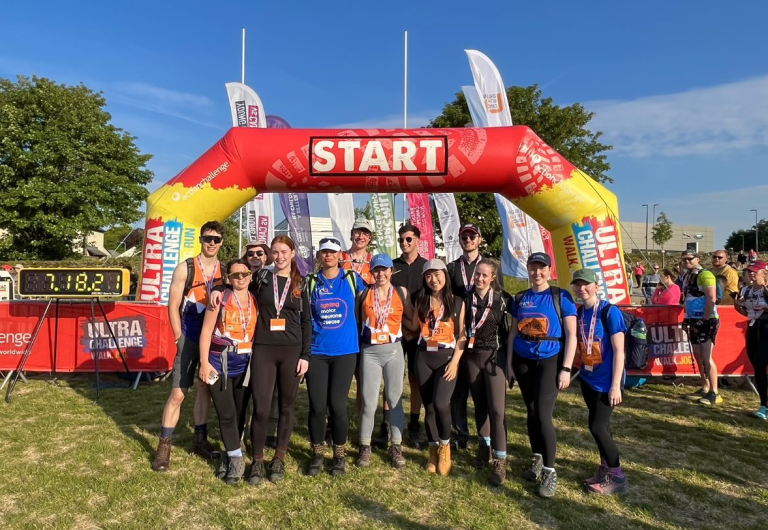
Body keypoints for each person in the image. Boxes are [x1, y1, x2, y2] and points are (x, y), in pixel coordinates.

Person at [153, 221, 225, 472]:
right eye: (208, 238)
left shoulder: (225, 270)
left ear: (222, 242)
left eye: (216, 239)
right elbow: (172, 305)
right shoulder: (186, 267)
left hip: (212, 340)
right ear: (201, 240)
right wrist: (177, 336)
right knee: (178, 393)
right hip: (189, 337)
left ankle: (200, 440)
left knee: (204, 389)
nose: (212, 243)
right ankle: (164, 447)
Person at [506, 252, 577, 498]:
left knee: (544, 415)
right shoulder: (521, 297)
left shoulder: (560, 296)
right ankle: (536, 458)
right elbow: (513, 333)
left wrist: (566, 368)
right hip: (523, 359)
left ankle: (550, 471)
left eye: (542, 268)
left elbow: (572, 335)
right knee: (532, 410)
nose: (537, 273)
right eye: (533, 268)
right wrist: (509, 365)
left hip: (549, 358)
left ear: (549, 270)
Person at [247, 236, 311, 484]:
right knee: (261, 408)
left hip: (291, 350)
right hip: (263, 348)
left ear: (293, 253)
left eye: (284, 251)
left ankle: (279, 458)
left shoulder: (301, 283)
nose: (280, 256)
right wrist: (220, 292)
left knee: (286, 406)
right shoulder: (262, 278)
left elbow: (307, 322)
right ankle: (257, 460)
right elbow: (238, 288)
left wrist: (306, 355)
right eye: (275, 252)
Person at [305, 237, 366, 477]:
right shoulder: (311, 282)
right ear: (319, 255)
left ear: (340, 254)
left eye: (332, 252)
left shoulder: (351, 279)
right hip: (317, 352)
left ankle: (339, 456)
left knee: (338, 405)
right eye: (324, 252)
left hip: (345, 352)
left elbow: (374, 299)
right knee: (317, 406)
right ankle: (318, 454)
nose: (328, 256)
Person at [197, 258, 257, 484]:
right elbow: (205, 332)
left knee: (240, 413)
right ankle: (236, 459)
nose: (240, 278)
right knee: (226, 413)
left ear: (250, 276)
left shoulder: (255, 298)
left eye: (244, 274)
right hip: (217, 362)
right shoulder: (220, 298)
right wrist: (204, 363)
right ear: (228, 278)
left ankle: (229, 452)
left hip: (245, 364)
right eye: (235, 275)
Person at [570, 268, 628, 495]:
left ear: (596, 286)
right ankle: (605, 468)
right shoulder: (579, 311)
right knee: (602, 427)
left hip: (607, 382)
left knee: (596, 426)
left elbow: (619, 351)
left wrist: (616, 385)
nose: (581, 288)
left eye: (586, 284)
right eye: (577, 284)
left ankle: (617, 476)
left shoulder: (609, 312)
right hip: (588, 377)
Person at [355, 253, 414, 469]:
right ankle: (364, 447)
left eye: (384, 269)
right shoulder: (363, 293)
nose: (380, 274)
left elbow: (411, 318)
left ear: (391, 271)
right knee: (368, 401)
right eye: (376, 270)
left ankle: (396, 446)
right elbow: (357, 320)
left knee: (394, 398)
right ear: (372, 272)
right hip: (370, 351)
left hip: (394, 351)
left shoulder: (401, 292)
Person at [411, 259, 467, 476]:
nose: (433, 280)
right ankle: (432, 450)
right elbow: (414, 327)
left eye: (437, 275)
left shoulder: (458, 302)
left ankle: (445, 447)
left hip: (446, 359)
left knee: (442, 403)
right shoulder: (421, 300)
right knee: (430, 407)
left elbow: (462, 335)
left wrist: (454, 362)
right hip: (423, 357)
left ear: (445, 275)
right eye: (428, 276)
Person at [464, 258, 511, 486]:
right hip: (472, 358)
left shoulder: (502, 300)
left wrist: (509, 365)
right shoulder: (466, 299)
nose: (480, 279)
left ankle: (501, 460)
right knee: (480, 407)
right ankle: (484, 450)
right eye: (477, 274)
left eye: (485, 275)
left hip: (494, 358)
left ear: (493, 277)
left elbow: (509, 334)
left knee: (497, 411)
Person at [391, 224, 428, 448]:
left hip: (420, 333)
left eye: (408, 239)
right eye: (401, 240)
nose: (404, 243)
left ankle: (414, 424)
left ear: (417, 241)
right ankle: (387, 425)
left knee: (415, 380)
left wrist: (418, 326)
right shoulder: (392, 266)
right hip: (395, 332)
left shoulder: (426, 267)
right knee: (393, 381)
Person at [446, 223, 483, 450]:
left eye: (472, 236)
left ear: (479, 239)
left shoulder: (489, 266)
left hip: (482, 335)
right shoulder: (451, 268)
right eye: (464, 237)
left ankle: (484, 437)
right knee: (457, 391)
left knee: (480, 391)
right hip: (459, 334)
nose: (468, 240)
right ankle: (461, 435)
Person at [680, 251, 722, 406]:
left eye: (690, 259)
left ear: (697, 259)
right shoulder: (686, 276)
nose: (686, 262)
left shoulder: (705, 275)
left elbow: (712, 299)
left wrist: (704, 319)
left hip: (708, 319)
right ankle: (705, 386)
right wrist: (686, 319)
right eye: (684, 259)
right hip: (693, 319)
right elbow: (686, 299)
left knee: (706, 356)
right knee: (697, 354)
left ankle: (715, 393)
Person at [734, 260, 768, 419]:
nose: (751, 274)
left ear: (764, 274)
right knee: (757, 366)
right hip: (753, 328)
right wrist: (737, 306)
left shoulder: (766, 290)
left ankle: (765, 406)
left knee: (761, 364)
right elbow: (744, 312)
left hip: (767, 328)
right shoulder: (745, 290)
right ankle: (763, 404)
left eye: (755, 271)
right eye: (749, 271)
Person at [341, 219, 375, 286]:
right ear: (352, 234)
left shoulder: (373, 261)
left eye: (365, 234)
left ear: (369, 238)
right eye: (357, 232)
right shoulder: (340, 257)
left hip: (365, 296)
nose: (360, 237)